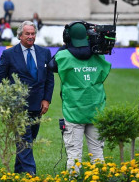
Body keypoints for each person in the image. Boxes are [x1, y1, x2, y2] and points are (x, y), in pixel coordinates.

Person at [48, 22, 111, 171]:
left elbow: (50, 65)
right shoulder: (98, 55)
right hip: (96, 109)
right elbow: (103, 74)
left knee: (74, 155)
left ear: (68, 37)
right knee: (97, 154)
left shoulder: (63, 56)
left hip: (73, 111)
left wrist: (65, 46)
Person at [0, 21, 54, 175]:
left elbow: (49, 79)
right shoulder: (8, 54)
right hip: (17, 106)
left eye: (33, 33)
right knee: (24, 140)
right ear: (19, 35)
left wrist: (47, 99)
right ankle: (30, 174)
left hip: (38, 105)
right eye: (27, 34)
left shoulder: (45, 53)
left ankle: (18, 171)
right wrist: (6, 102)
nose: (30, 36)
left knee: (28, 140)